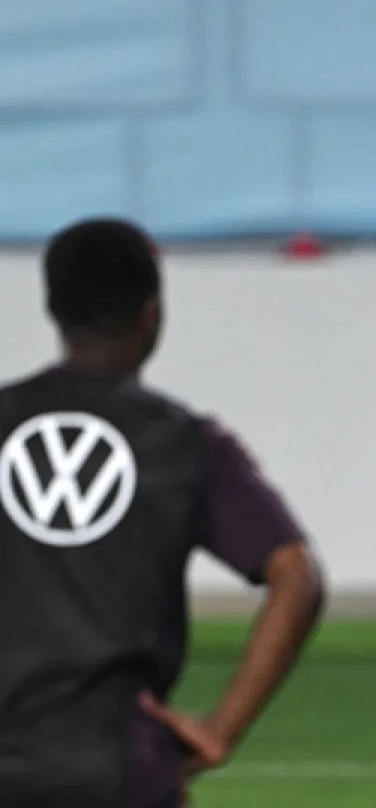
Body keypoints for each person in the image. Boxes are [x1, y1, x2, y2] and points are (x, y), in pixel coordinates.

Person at [0, 218, 326, 808]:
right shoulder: (186, 443)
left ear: (53, 307)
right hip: (121, 766)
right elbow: (296, 580)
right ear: (152, 314)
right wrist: (220, 731)